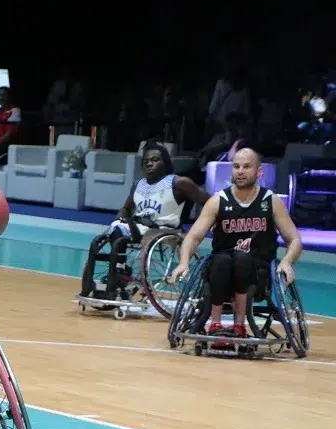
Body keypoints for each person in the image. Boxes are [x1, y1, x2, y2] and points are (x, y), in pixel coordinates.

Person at [170, 148, 302, 341]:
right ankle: (214, 323)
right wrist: (183, 262)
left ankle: (239, 324)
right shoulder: (218, 201)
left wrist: (287, 262)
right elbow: (193, 237)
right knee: (222, 260)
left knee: (241, 259)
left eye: (247, 167)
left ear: (259, 172)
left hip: (256, 271)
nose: (240, 171)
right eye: (236, 166)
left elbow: (295, 239)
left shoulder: (271, 201)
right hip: (221, 268)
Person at [81, 143, 210, 299]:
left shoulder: (178, 182)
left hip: (163, 229)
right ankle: (107, 278)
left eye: (155, 160)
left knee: (118, 232)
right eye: (146, 161)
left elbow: (208, 202)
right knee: (101, 239)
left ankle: (119, 275)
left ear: (166, 163)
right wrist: (121, 215)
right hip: (140, 226)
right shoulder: (138, 184)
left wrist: (206, 222)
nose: (149, 163)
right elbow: (126, 208)